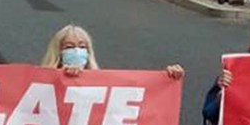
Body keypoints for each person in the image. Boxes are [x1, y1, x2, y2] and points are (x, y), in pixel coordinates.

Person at [40, 24, 184, 80]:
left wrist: (169, 78)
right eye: (69, 47)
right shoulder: (39, 82)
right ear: (58, 52)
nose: (77, 51)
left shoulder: (104, 83)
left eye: (82, 47)